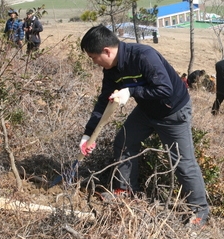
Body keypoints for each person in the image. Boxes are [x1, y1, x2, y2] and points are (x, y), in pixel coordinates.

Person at [79, 25, 209, 227]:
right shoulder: (111, 70)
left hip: (172, 112)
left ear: (107, 51)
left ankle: (199, 211)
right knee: (123, 141)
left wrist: (131, 92)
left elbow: (164, 89)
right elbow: (103, 102)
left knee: (183, 163)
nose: (95, 63)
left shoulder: (143, 56)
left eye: (94, 58)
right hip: (147, 111)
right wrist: (88, 135)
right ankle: (125, 192)